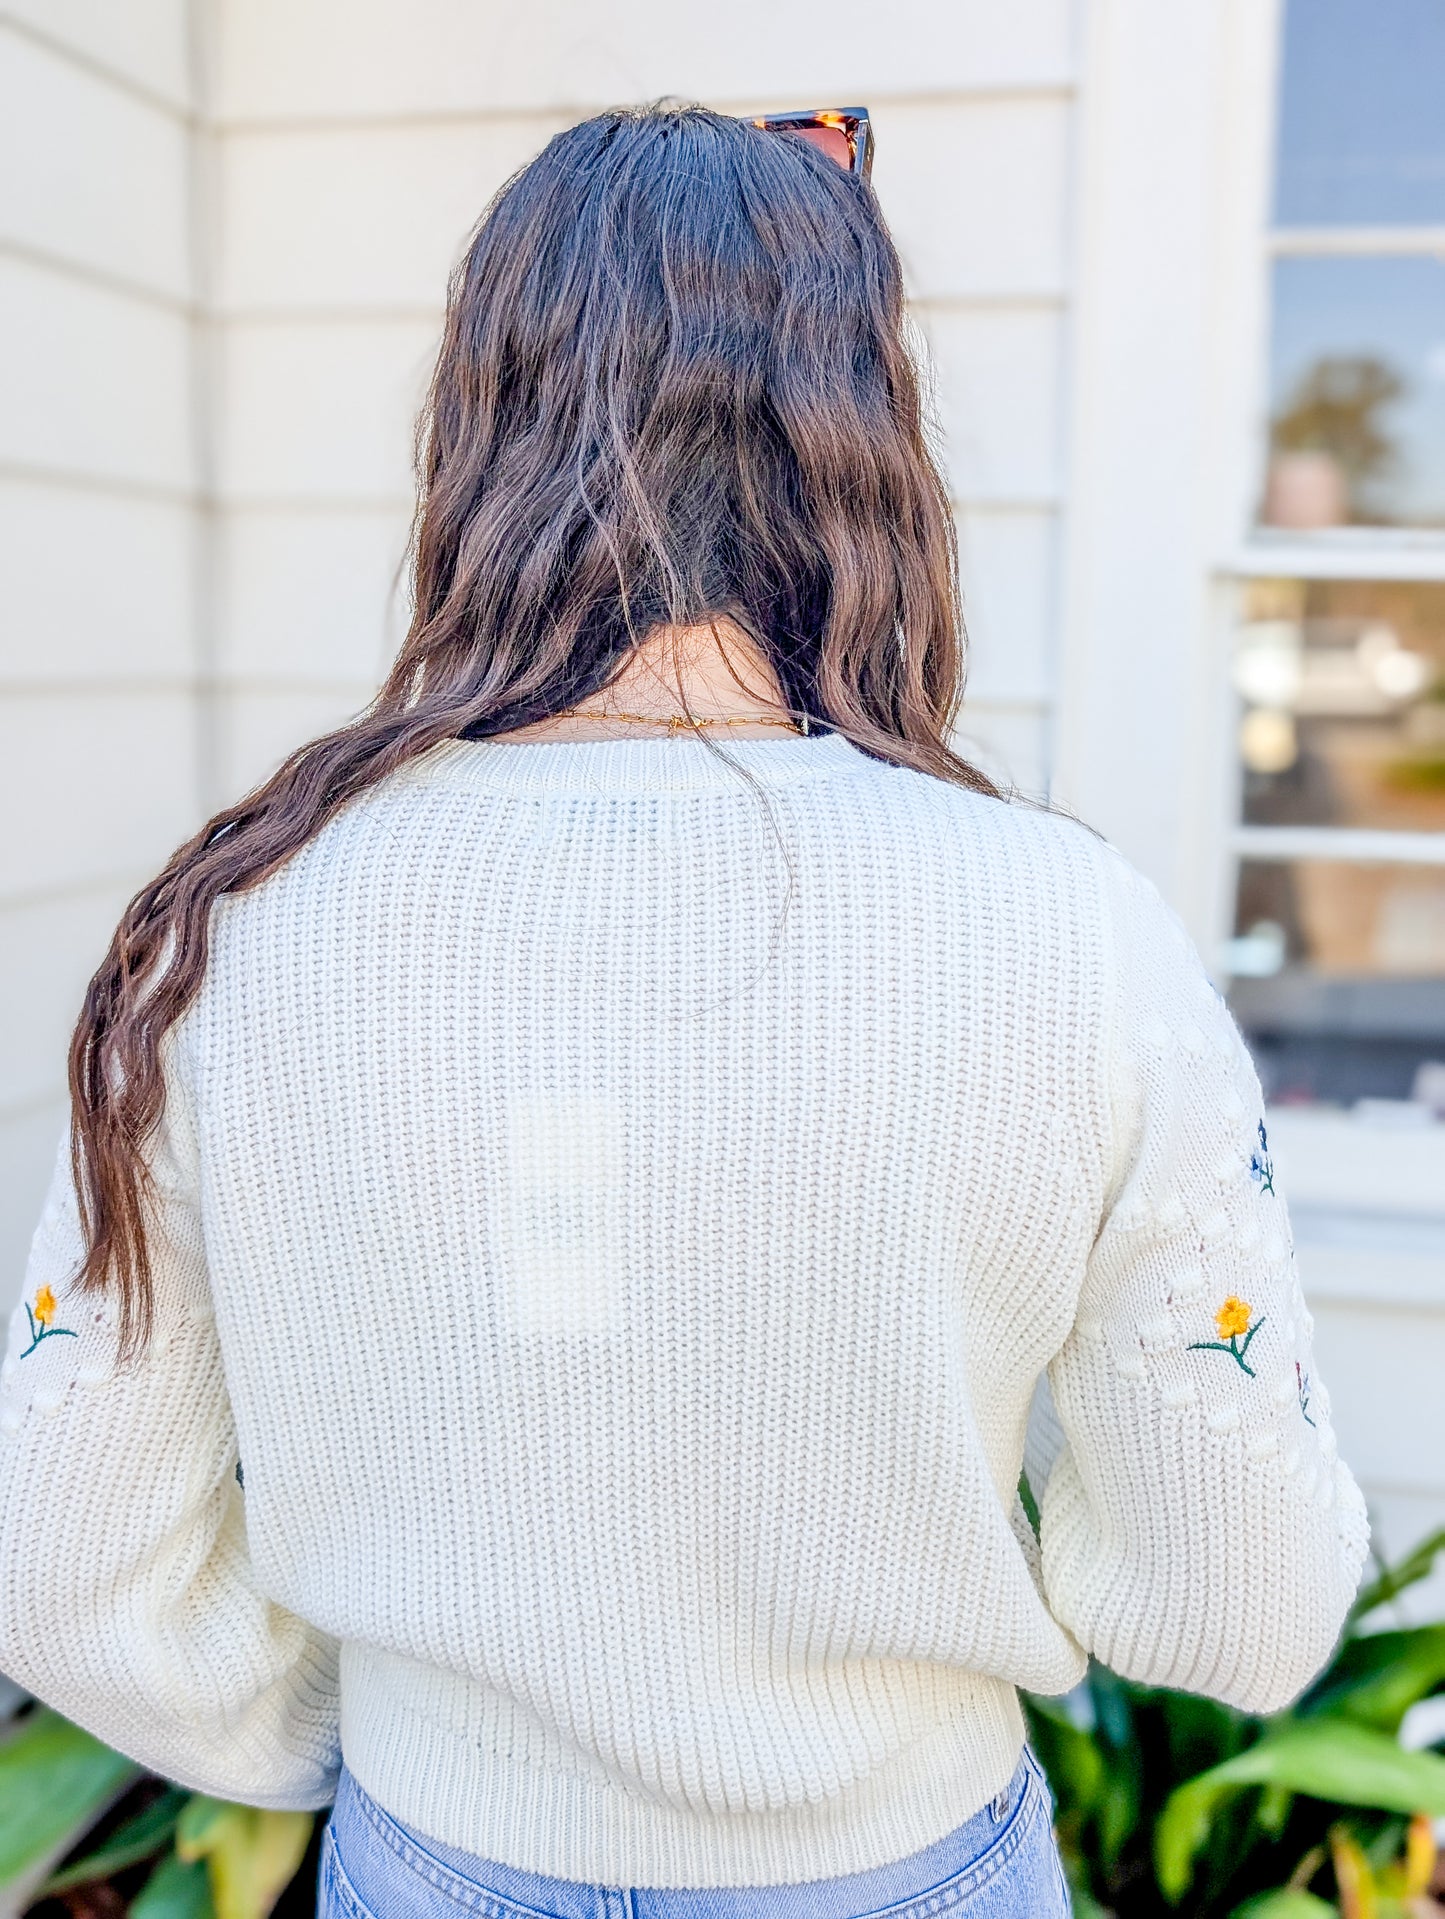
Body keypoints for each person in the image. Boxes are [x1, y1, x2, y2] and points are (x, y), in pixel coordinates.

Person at [0, 104, 1367, 1918]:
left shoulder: (238, 929)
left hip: (438, 1864)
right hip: (910, 1865)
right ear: (861, 442)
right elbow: (1244, 1593)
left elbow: (70, 1558)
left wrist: (413, 1724)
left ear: (478, 429)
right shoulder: (1070, 932)